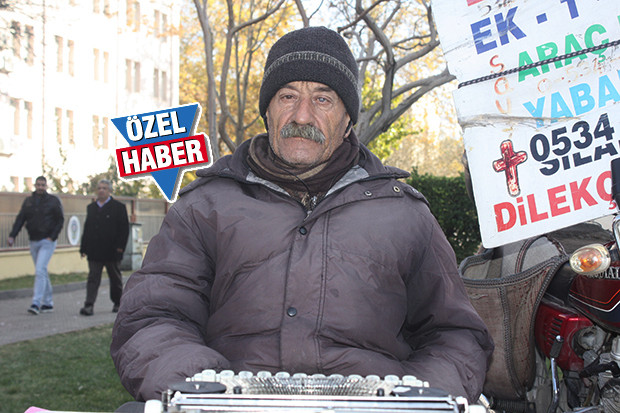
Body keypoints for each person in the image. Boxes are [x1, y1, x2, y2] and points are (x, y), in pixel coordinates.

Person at [111, 26, 493, 404]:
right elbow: (153, 316)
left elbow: (455, 335)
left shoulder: (405, 214)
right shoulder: (205, 206)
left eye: (322, 99)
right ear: (268, 110)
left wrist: (416, 400)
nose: (302, 115)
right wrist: (205, 392)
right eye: (287, 96)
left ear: (348, 119)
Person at [8, 176, 64, 315]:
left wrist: (52, 236)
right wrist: (12, 235)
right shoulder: (29, 202)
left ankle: (36, 303)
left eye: (43, 185)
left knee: (39, 270)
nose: (40, 187)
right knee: (42, 271)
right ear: (35, 185)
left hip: (47, 241)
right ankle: (48, 303)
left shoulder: (53, 201)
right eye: (38, 185)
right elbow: (21, 219)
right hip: (33, 240)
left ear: (46, 186)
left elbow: (60, 220)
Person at [79, 179, 130, 316]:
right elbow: (87, 228)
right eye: (99, 188)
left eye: (104, 188)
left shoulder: (118, 207)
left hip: (112, 251)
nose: (101, 190)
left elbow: (124, 229)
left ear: (110, 191)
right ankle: (89, 305)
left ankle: (118, 303)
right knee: (93, 278)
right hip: (94, 251)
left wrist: (120, 247)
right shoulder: (91, 208)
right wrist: (83, 248)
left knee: (115, 278)